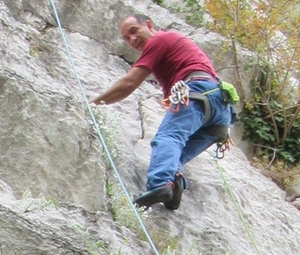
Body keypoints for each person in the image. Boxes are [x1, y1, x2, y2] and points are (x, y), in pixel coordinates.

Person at [91, 15, 235, 210]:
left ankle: (160, 184)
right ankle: (175, 183)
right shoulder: (172, 44)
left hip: (199, 93)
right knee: (175, 155)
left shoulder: (159, 40)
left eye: (134, 31)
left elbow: (129, 83)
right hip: (220, 113)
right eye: (127, 38)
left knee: (168, 138)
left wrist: (94, 103)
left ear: (149, 25)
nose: (133, 39)